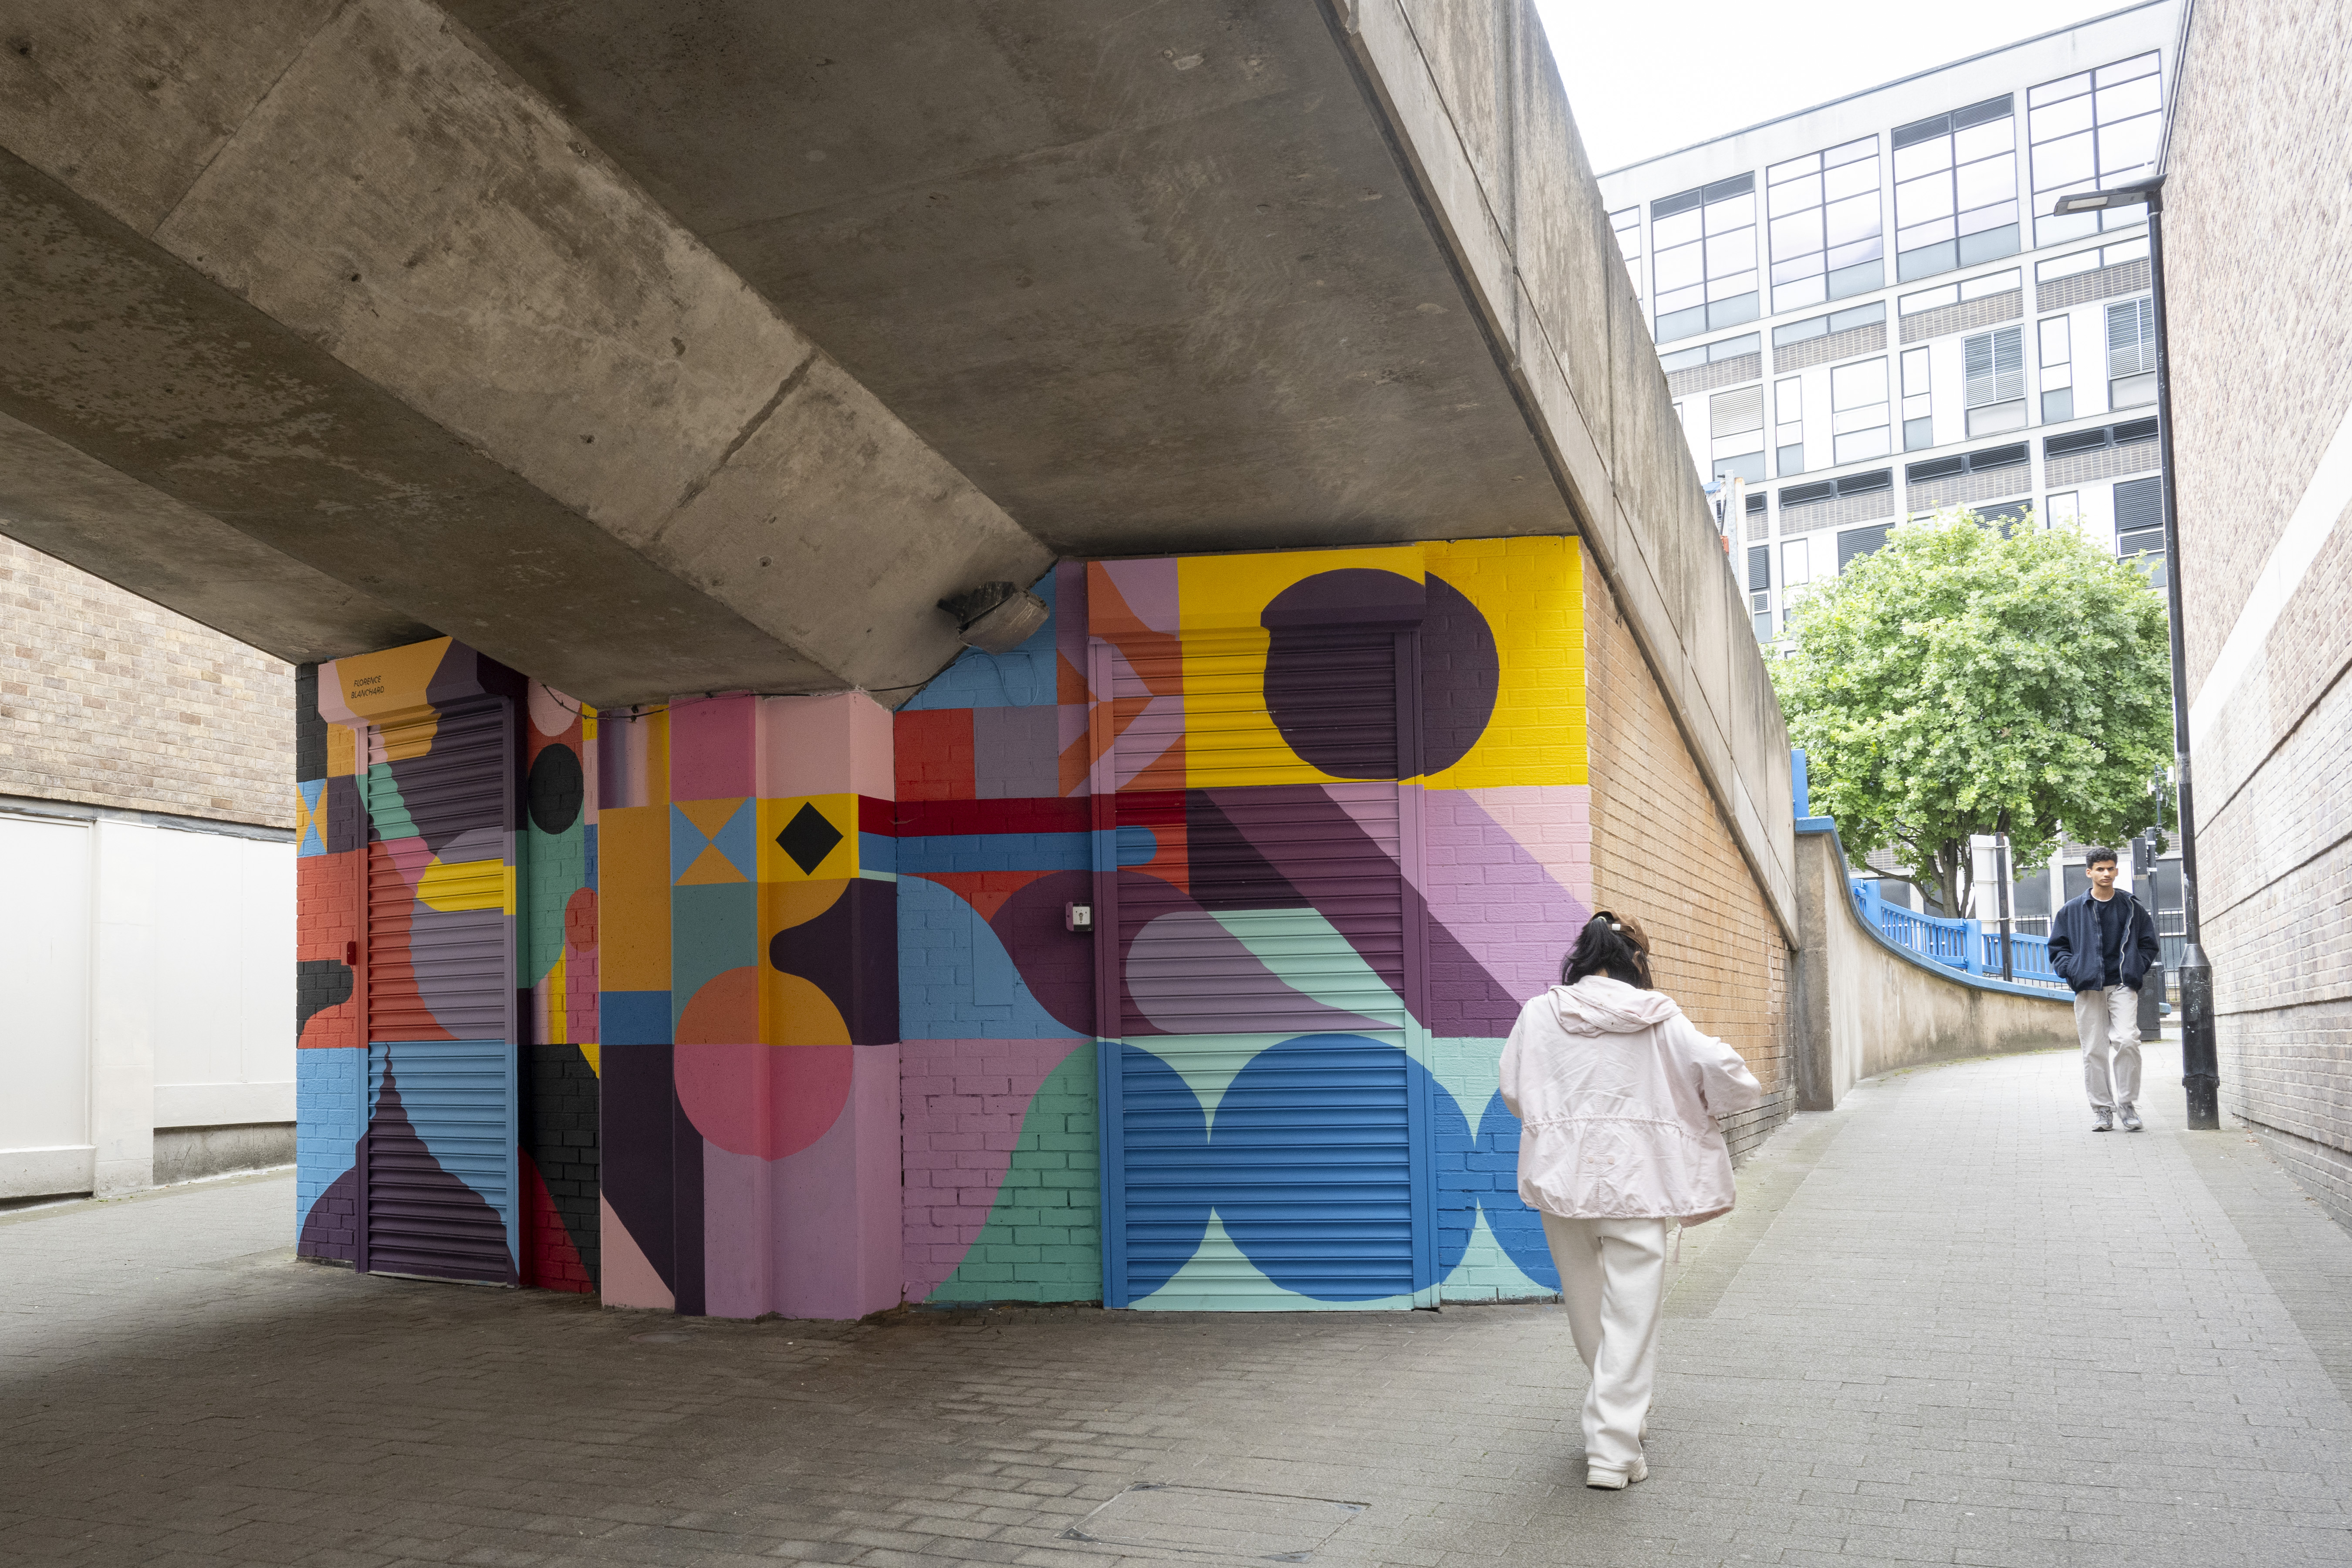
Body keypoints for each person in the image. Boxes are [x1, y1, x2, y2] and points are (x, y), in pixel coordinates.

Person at [1499, 911, 1763, 1491]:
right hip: (1640, 1187)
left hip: (1562, 1182)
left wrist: (1558, 1128)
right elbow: (1730, 1074)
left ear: (1581, 957)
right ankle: (1614, 1451)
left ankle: (1618, 1417)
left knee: (1588, 1309)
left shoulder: (1539, 1014)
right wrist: (1699, 1103)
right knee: (1632, 1317)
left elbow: (1514, 1089)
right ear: (1634, 962)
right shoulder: (1660, 1018)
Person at [2045, 846, 2164, 1132]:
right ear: (2089, 873)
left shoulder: (2131, 907)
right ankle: (2102, 1110)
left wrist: (2136, 967)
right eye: (2100, 869)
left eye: (2111, 868)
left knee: (2127, 1040)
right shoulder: (2072, 910)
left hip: (2122, 984)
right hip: (2088, 987)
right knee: (2093, 1051)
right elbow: (2058, 947)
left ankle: (2127, 1104)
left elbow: (2149, 943)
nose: (2106, 873)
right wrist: (2071, 970)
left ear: (2117, 871)